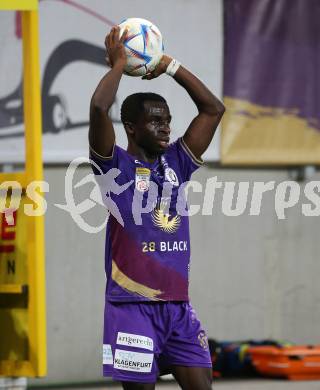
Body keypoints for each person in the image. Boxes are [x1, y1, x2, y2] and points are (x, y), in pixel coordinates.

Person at [89, 26, 225, 390]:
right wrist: (119, 64)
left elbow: (214, 109)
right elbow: (99, 108)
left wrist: (168, 65)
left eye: (167, 120)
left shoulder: (177, 163)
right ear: (131, 128)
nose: (166, 128)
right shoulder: (113, 168)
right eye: (155, 121)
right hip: (131, 308)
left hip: (178, 308)